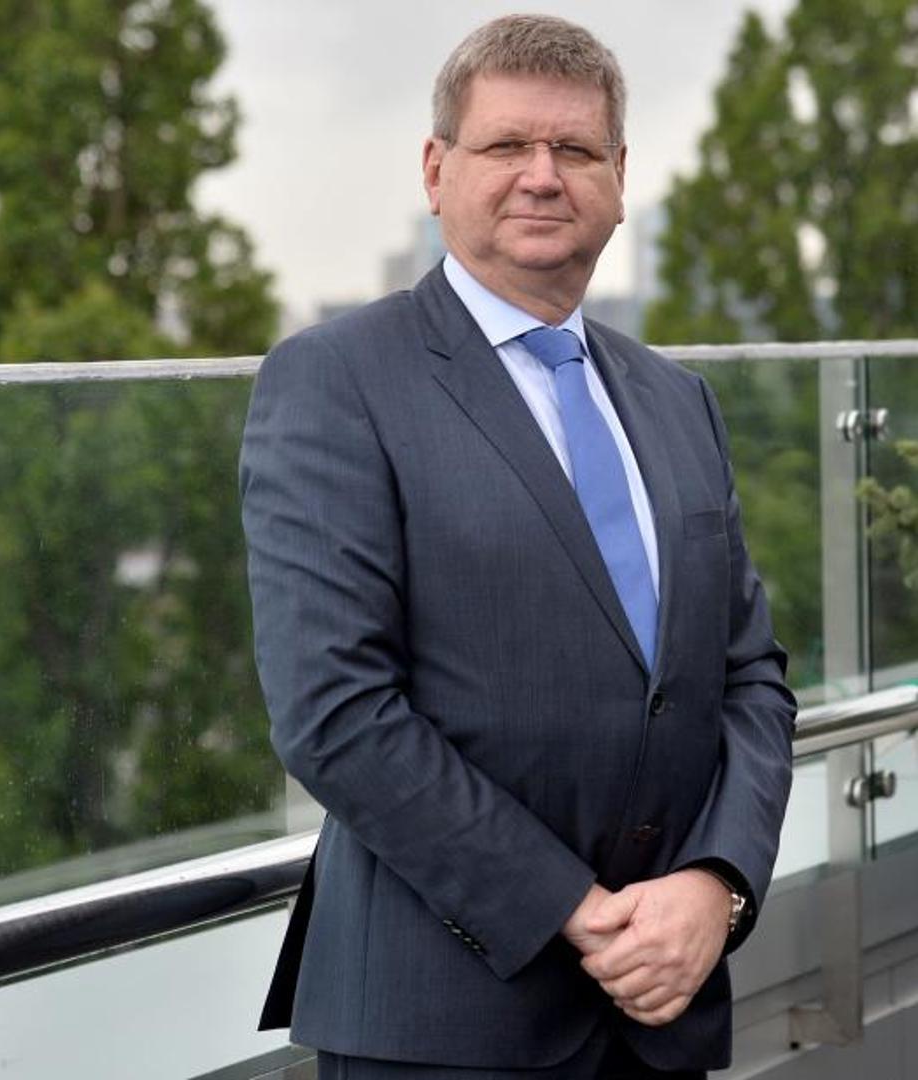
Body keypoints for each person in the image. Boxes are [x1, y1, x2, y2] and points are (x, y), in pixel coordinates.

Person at [239, 14, 796, 1079]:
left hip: (662, 1013)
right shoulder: (336, 381)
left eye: (574, 149)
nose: (541, 176)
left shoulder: (677, 400)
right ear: (435, 169)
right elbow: (333, 710)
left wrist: (716, 885)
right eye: (505, 145)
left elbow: (749, 678)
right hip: (444, 1022)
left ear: (618, 179)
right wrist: (573, 911)